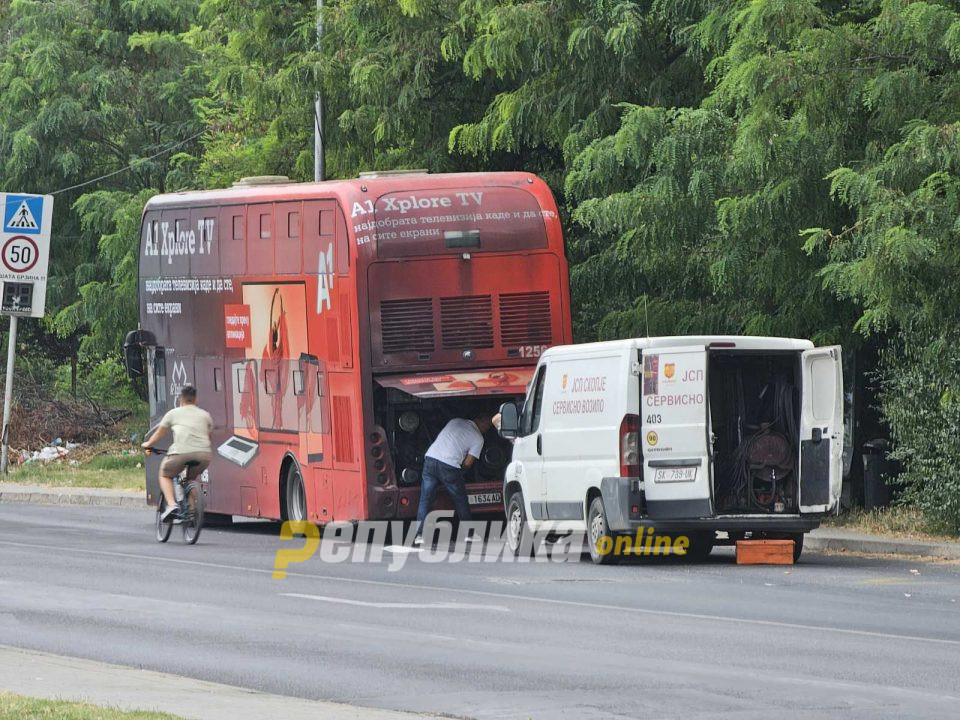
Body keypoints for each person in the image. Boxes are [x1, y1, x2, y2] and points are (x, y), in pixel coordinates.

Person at [415, 412, 493, 545]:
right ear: (482, 424)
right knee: (460, 500)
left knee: (425, 500)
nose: (486, 430)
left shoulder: (455, 420)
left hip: (430, 459)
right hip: (449, 466)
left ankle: (420, 536)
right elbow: (468, 463)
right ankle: (469, 534)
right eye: (487, 427)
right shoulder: (478, 438)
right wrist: (460, 474)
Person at [142, 385, 213, 522]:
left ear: (180, 399)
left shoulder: (173, 413)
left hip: (180, 452)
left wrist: (148, 444)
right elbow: (209, 437)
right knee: (191, 479)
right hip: (204, 455)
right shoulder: (205, 415)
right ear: (196, 399)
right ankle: (194, 508)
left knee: (165, 474)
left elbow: (159, 434)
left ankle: (172, 505)